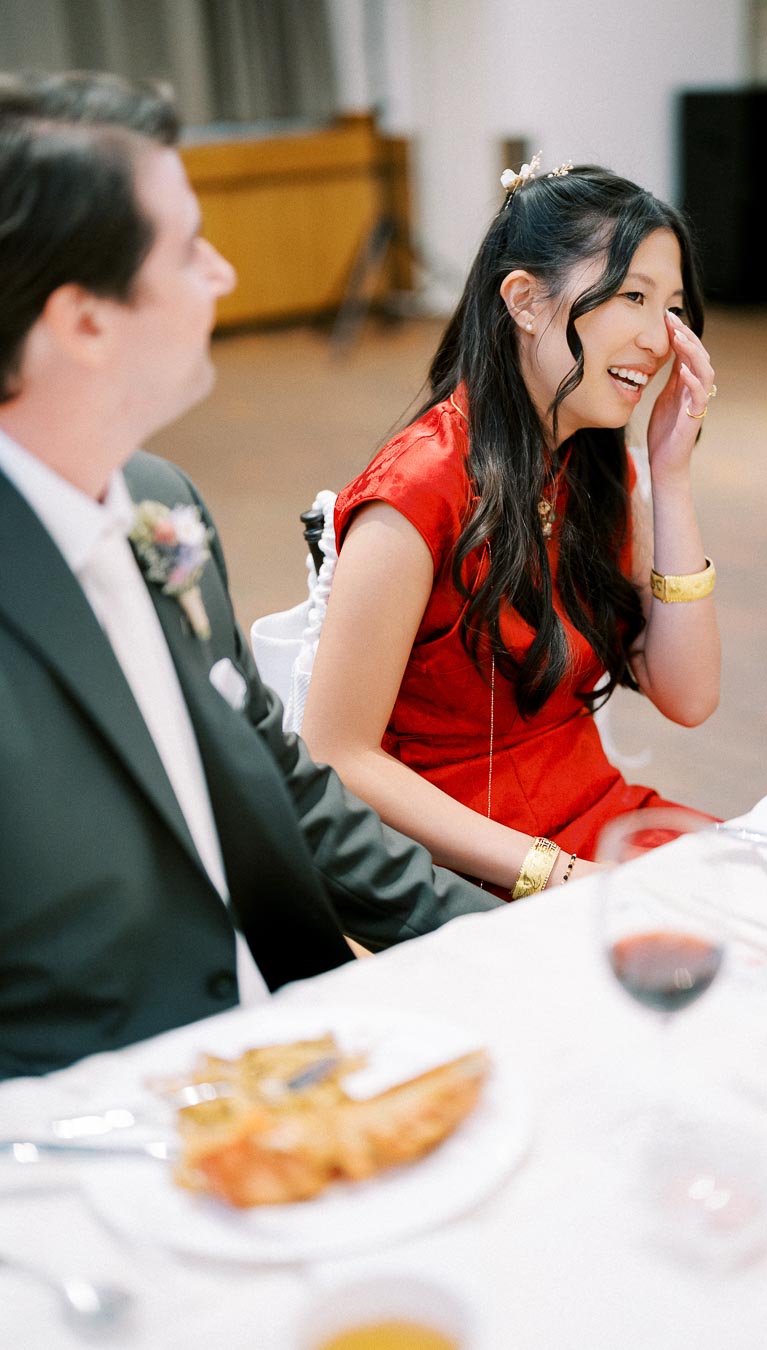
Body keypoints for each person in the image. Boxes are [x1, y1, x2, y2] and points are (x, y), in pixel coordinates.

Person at [0, 70, 504, 1081]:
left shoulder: (160, 502)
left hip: (293, 1058)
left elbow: (287, 790)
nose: (221, 273)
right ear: (84, 321)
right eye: (188, 249)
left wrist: (504, 940)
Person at [302, 155, 721, 899]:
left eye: (675, 308)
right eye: (632, 295)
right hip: (458, 864)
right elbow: (337, 752)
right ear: (525, 301)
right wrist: (554, 874)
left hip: (593, 819)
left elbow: (689, 698)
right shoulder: (417, 489)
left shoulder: (599, 468)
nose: (662, 338)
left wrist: (672, 474)